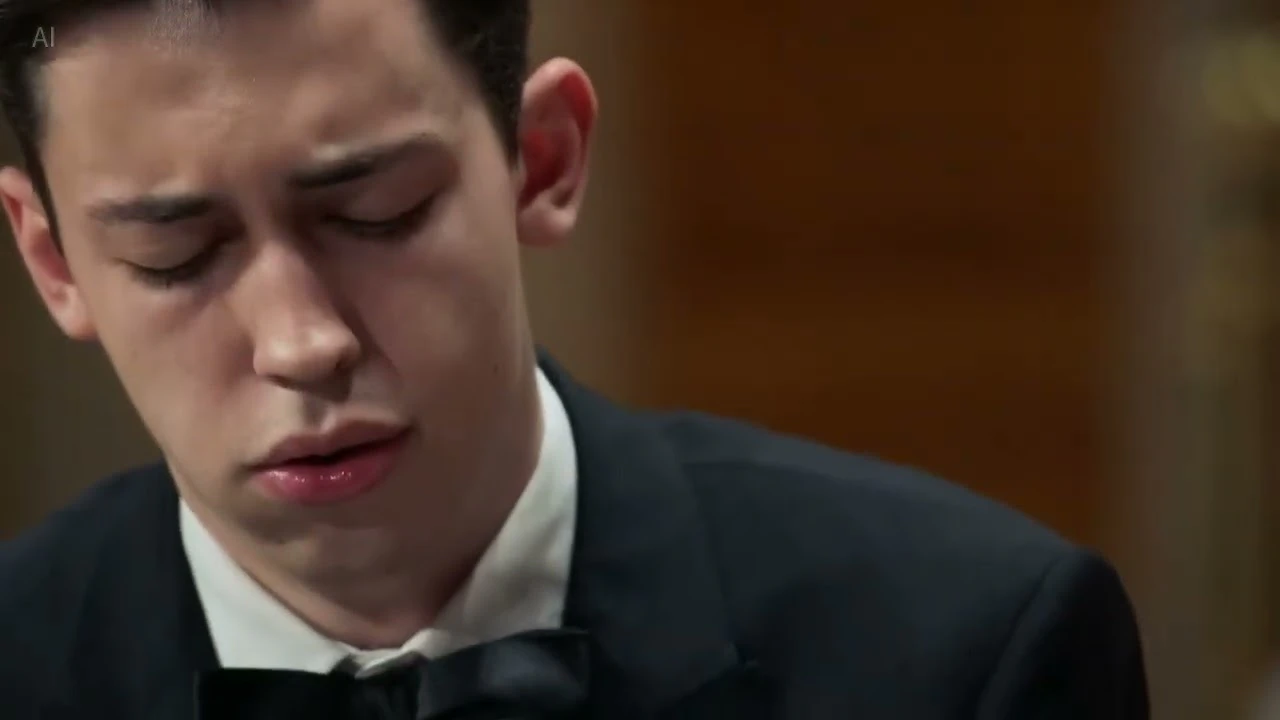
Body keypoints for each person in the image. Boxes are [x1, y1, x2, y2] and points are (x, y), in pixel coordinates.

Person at [0, 0, 1149, 717]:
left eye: (376, 214)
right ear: (54, 264)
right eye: (175, 256)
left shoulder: (967, 652)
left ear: (541, 160)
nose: (302, 344)